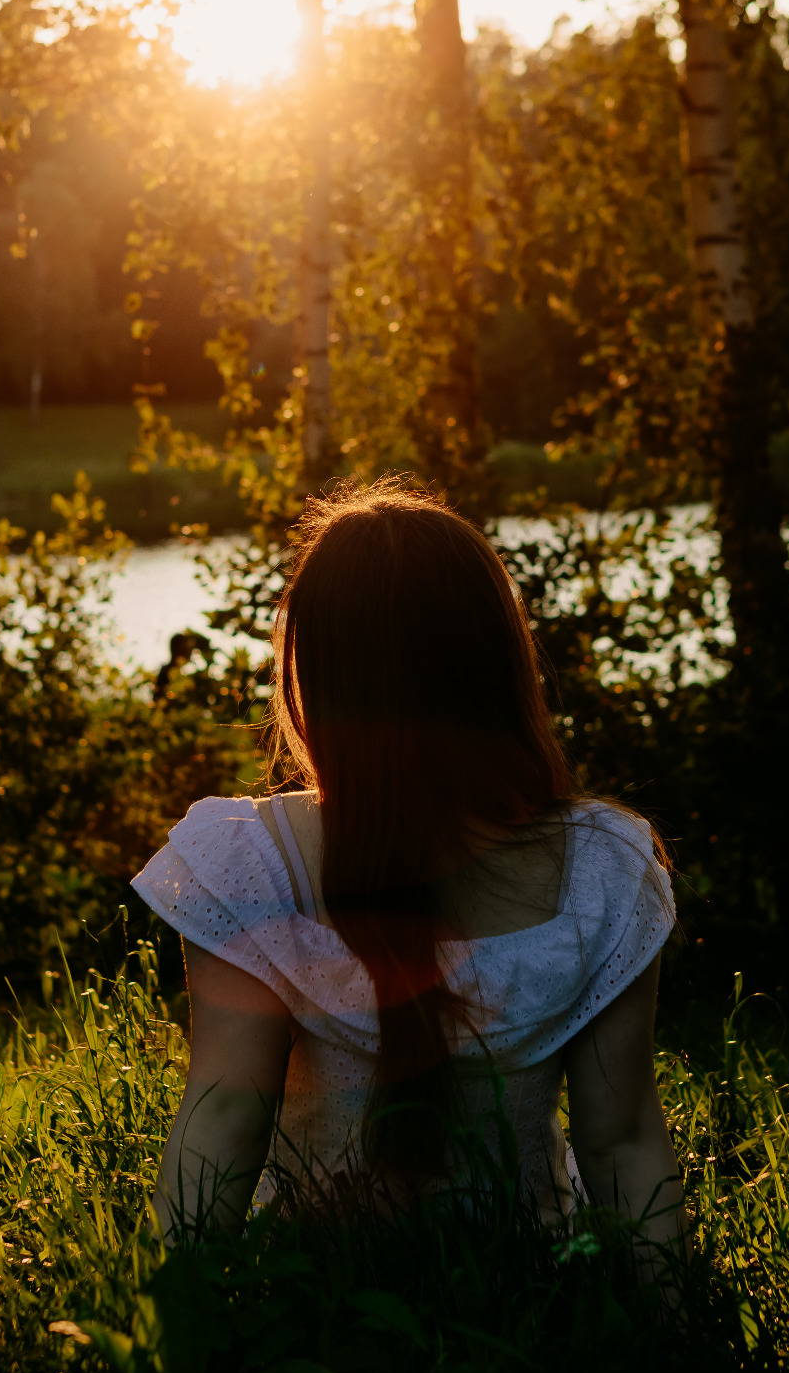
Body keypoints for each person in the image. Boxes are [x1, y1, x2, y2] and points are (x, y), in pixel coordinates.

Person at [133, 483, 685, 1268]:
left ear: (312, 673)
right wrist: (667, 1346)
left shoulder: (253, 864)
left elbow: (222, 1121)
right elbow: (621, 1142)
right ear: (498, 663)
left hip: (314, 1302)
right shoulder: (600, 867)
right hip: (527, 1295)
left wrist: (173, 1344)